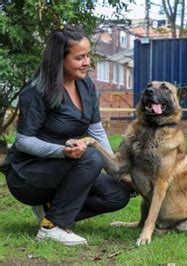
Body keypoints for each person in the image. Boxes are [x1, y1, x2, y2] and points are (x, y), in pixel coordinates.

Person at [0, 24, 130, 246]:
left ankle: (51, 212)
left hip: (66, 167)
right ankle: (52, 228)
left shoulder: (87, 85)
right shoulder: (37, 91)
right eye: (80, 57)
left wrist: (117, 170)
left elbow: (96, 129)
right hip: (28, 174)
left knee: (117, 193)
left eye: (88, 55)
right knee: (91, 156)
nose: (87, 62)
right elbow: (22, 141)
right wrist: (62, 151)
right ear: (60, 59)